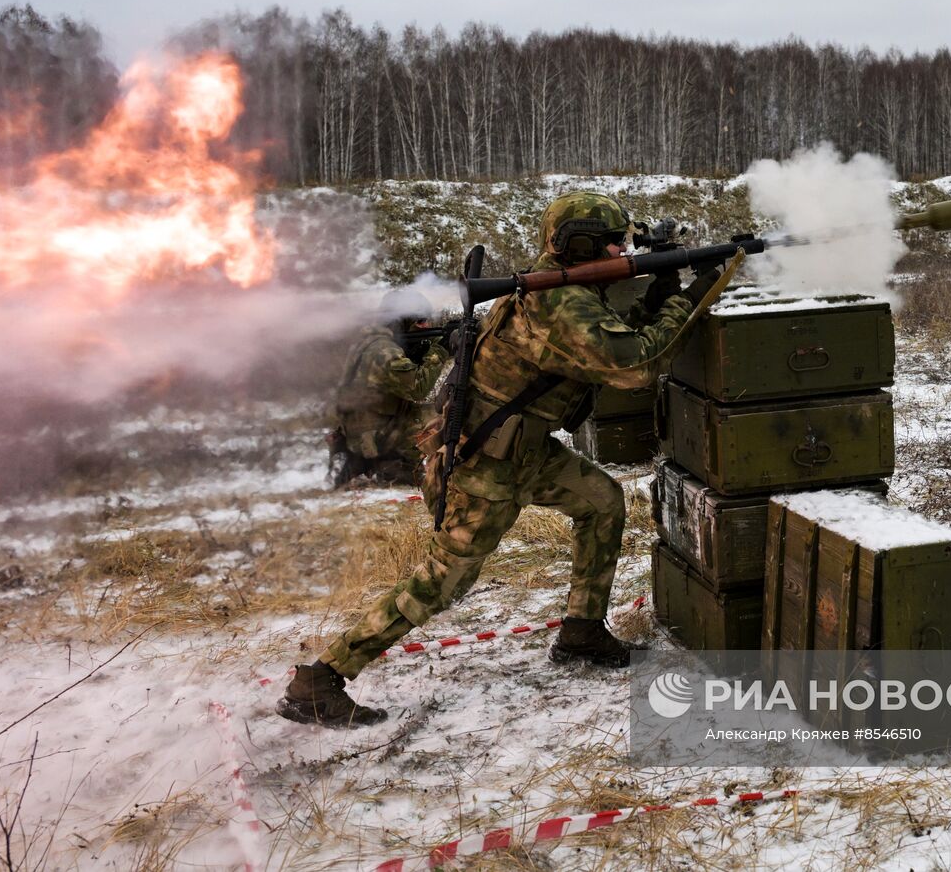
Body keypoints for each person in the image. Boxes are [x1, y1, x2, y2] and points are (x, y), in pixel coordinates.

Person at [278, 191, 724, 727]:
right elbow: (635, 364)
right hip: (487, 463)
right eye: (610, 242)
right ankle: (321, 678)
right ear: (580, 244)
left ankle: (582, 631)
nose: (619, 249)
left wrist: (662, 285)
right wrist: (693, 292)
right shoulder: (560, 302)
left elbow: (618, 335)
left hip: (526, 450)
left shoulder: (561, 281)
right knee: (442, 581)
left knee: (601, 502)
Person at [328, 287, 454, 488]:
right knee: (450, 414)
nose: (427, 326)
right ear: (401, 321)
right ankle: (395, 466)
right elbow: (417, 388)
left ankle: (384, 465)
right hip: (374, 438)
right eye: (420, 321)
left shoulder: (371, 342)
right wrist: (441, 350)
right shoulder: (384, 351)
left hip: (362, 432)